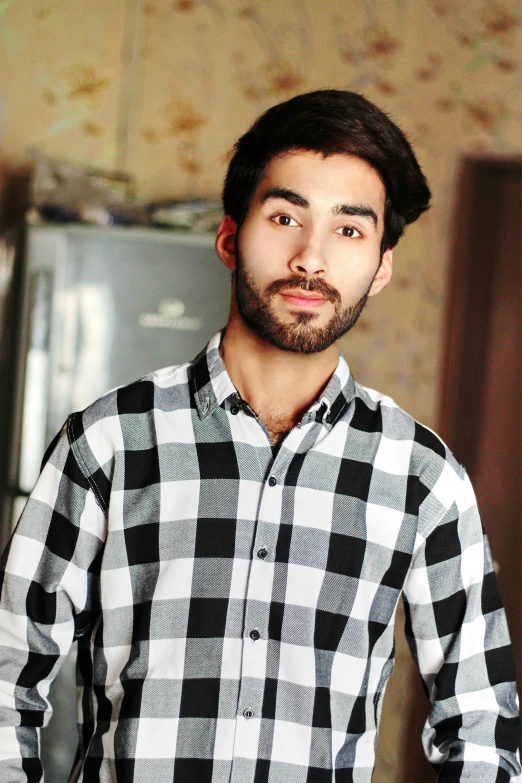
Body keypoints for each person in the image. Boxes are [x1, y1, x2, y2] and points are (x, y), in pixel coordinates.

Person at [0, 90, 520, 783]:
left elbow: (480, 719)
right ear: (229, 237)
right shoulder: (109, 443)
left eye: (349, 230)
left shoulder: (423, 476)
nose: (311, 257)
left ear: (382, 266)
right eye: (285, 217)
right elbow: (7, 671)